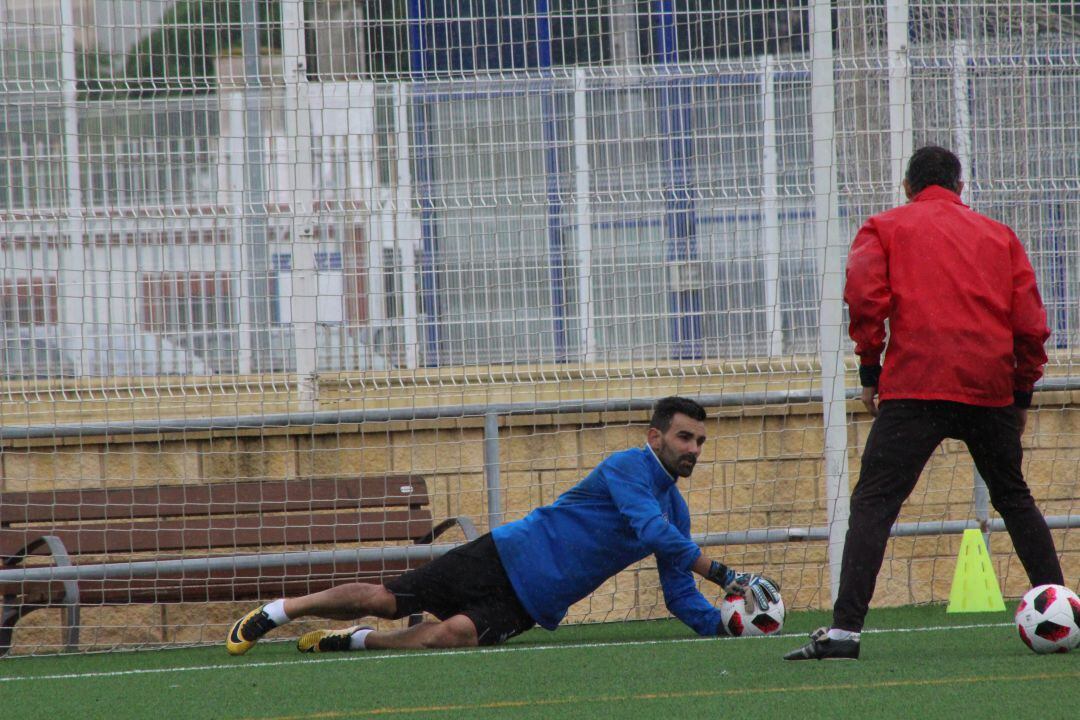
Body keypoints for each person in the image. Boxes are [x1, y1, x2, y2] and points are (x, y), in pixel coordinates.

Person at [785, 146, 1065, 661]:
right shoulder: (1000, 236)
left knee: (874, 503)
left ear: (908, 187)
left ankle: (845, 631)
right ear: (960, 188)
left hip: (916, 384)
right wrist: (1020, 393)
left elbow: (865, 297)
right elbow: (1031, 325)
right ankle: (1062, 614)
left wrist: (871, 369)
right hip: (988, 386)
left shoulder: (886, 227)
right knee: (1014, 496)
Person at [227, 396, 780, 654]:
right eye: (685, 437)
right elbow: (658, 536)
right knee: (383, 595)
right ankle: (278, 613)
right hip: (503, 553)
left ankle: (351, 644)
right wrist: (726, 574)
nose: (694, 449)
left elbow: (678, 591)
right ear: (655, 436)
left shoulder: (677, 512)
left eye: (701, 442)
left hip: (530, 604)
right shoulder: (626, 468)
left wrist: (724, 627)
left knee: (453, 636)